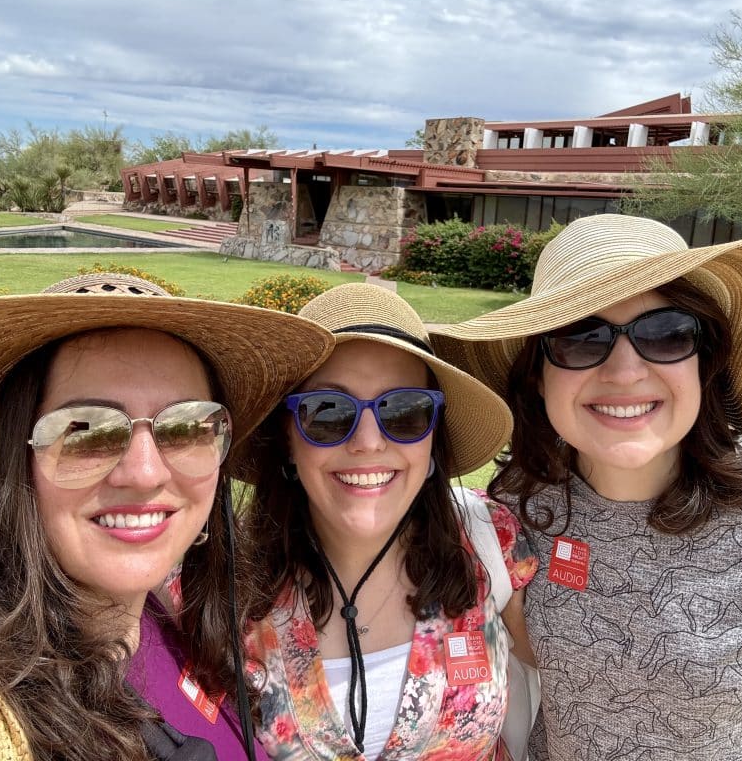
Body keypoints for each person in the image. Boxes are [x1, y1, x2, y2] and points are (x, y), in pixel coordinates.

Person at [432, 214, 742, 761]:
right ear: (537, 373)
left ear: (706, 359)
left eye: (666, 333)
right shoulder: (518, 511)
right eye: (581, 339)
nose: (625, 371)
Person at [0, 272, 334, 760]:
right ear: (13, 458)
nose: (145, 472)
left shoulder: (171, 623)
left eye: (187, 426)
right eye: (86, 430)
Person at [230, 283, 538, 760]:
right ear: (287, 438)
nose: (369, 442)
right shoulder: (224, 589)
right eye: (329, 412)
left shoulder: (490, 542)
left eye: (405, 411)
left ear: (434, 438)